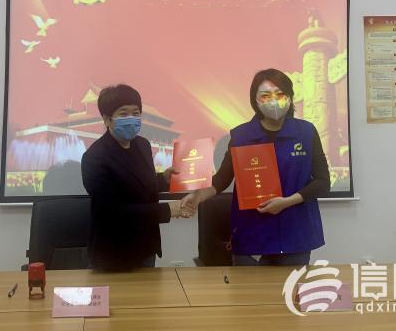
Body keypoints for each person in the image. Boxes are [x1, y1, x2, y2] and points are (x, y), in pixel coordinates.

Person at [182, 69, 330, 266]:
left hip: (296, 234)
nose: (273, 100)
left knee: (290, 287)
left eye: (280, 94)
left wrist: (286, 202)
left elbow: (323, 182)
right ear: (255, 100)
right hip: (252, 234)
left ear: (290, 97)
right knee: (249, 286)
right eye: (266, 95)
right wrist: (198, 196)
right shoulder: (241, 136)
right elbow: (221, 179)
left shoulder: (306, 132)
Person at [81, 84, 193, 271]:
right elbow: (111, 213)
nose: (131, 119)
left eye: (136, 113)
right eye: (123, 113)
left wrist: (164, 179)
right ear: (107, 119)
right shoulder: (95, 158)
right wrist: (168, 210)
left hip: (146, 247)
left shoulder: (142, 145)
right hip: (113, 254)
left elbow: (140, 183)